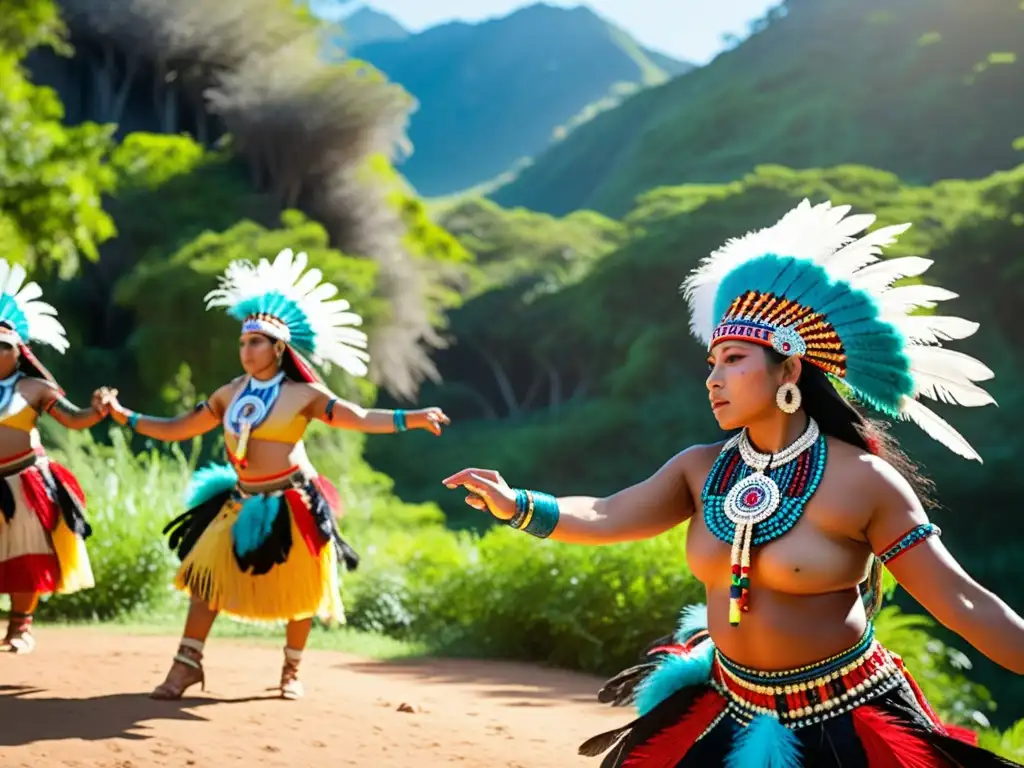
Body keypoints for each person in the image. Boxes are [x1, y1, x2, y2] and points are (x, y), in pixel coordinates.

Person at [443, 200, 1024, 767]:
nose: (714, 379)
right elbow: (606, 513)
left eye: (734, 360)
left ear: (789, 369)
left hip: (843, 726)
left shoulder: (865, 481)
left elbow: (965, 601)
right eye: (712, 363)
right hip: (728, 706)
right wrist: (516, 503)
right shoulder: (700, 468)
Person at [99, 248, 450, 700]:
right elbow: (177, 429)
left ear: (279, 347)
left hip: (294, 500)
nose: (246, 350)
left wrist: (412, 417)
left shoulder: (303, 393)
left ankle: (291, 671)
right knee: (205, 577)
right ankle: (185, 666)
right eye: (243, 342)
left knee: (302, 589)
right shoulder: (229, 393)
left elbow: (358, 416)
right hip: (241, 497)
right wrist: (123, 415)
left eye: (257, 342)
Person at [0, 259, 107, 654]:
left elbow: (74, 419)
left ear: (18, 351)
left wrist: (96, 412)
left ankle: (20, 628)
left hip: (25, 479)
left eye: (2, 346)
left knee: (26, 552)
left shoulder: (35, 388)